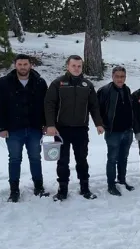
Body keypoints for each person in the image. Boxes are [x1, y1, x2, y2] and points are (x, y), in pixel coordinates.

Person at [44, 55, 104, 201]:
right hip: (61, 129)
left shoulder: (87, 85)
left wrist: (98, 123)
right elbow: (49, 104)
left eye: (79, 66)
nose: (76, 68)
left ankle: (85, 188)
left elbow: (94, 106)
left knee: (82, 159)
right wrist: (51, 124)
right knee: (63, 161)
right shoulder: (58, 83)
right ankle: (62, 190)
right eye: (73, 66)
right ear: (67, 66)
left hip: (81, 129)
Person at [0, 54, 49, 202]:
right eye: (20, 64)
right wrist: (1, 128)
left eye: (25, 64)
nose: (23, 67)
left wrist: (46, 124)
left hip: (34, 128)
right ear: (15, 65)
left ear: (31, 65)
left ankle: (39, 186)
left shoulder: (40, 82)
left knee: (35, 158)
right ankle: (14, 190)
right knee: (15, 159)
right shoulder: (4, 83)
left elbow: (46, 106)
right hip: (13, 129)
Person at [97, 66, 135, 196]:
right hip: (113, 132)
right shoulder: (105, 91)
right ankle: (111, 185)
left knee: (123, 158)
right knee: (112, 159)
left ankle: (122, 180)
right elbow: (97, 110)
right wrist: (101, 124)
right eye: (117, 76)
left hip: (127, 131)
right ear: (112, 76)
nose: (120, 79)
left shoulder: (127, 89)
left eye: (122, 76)